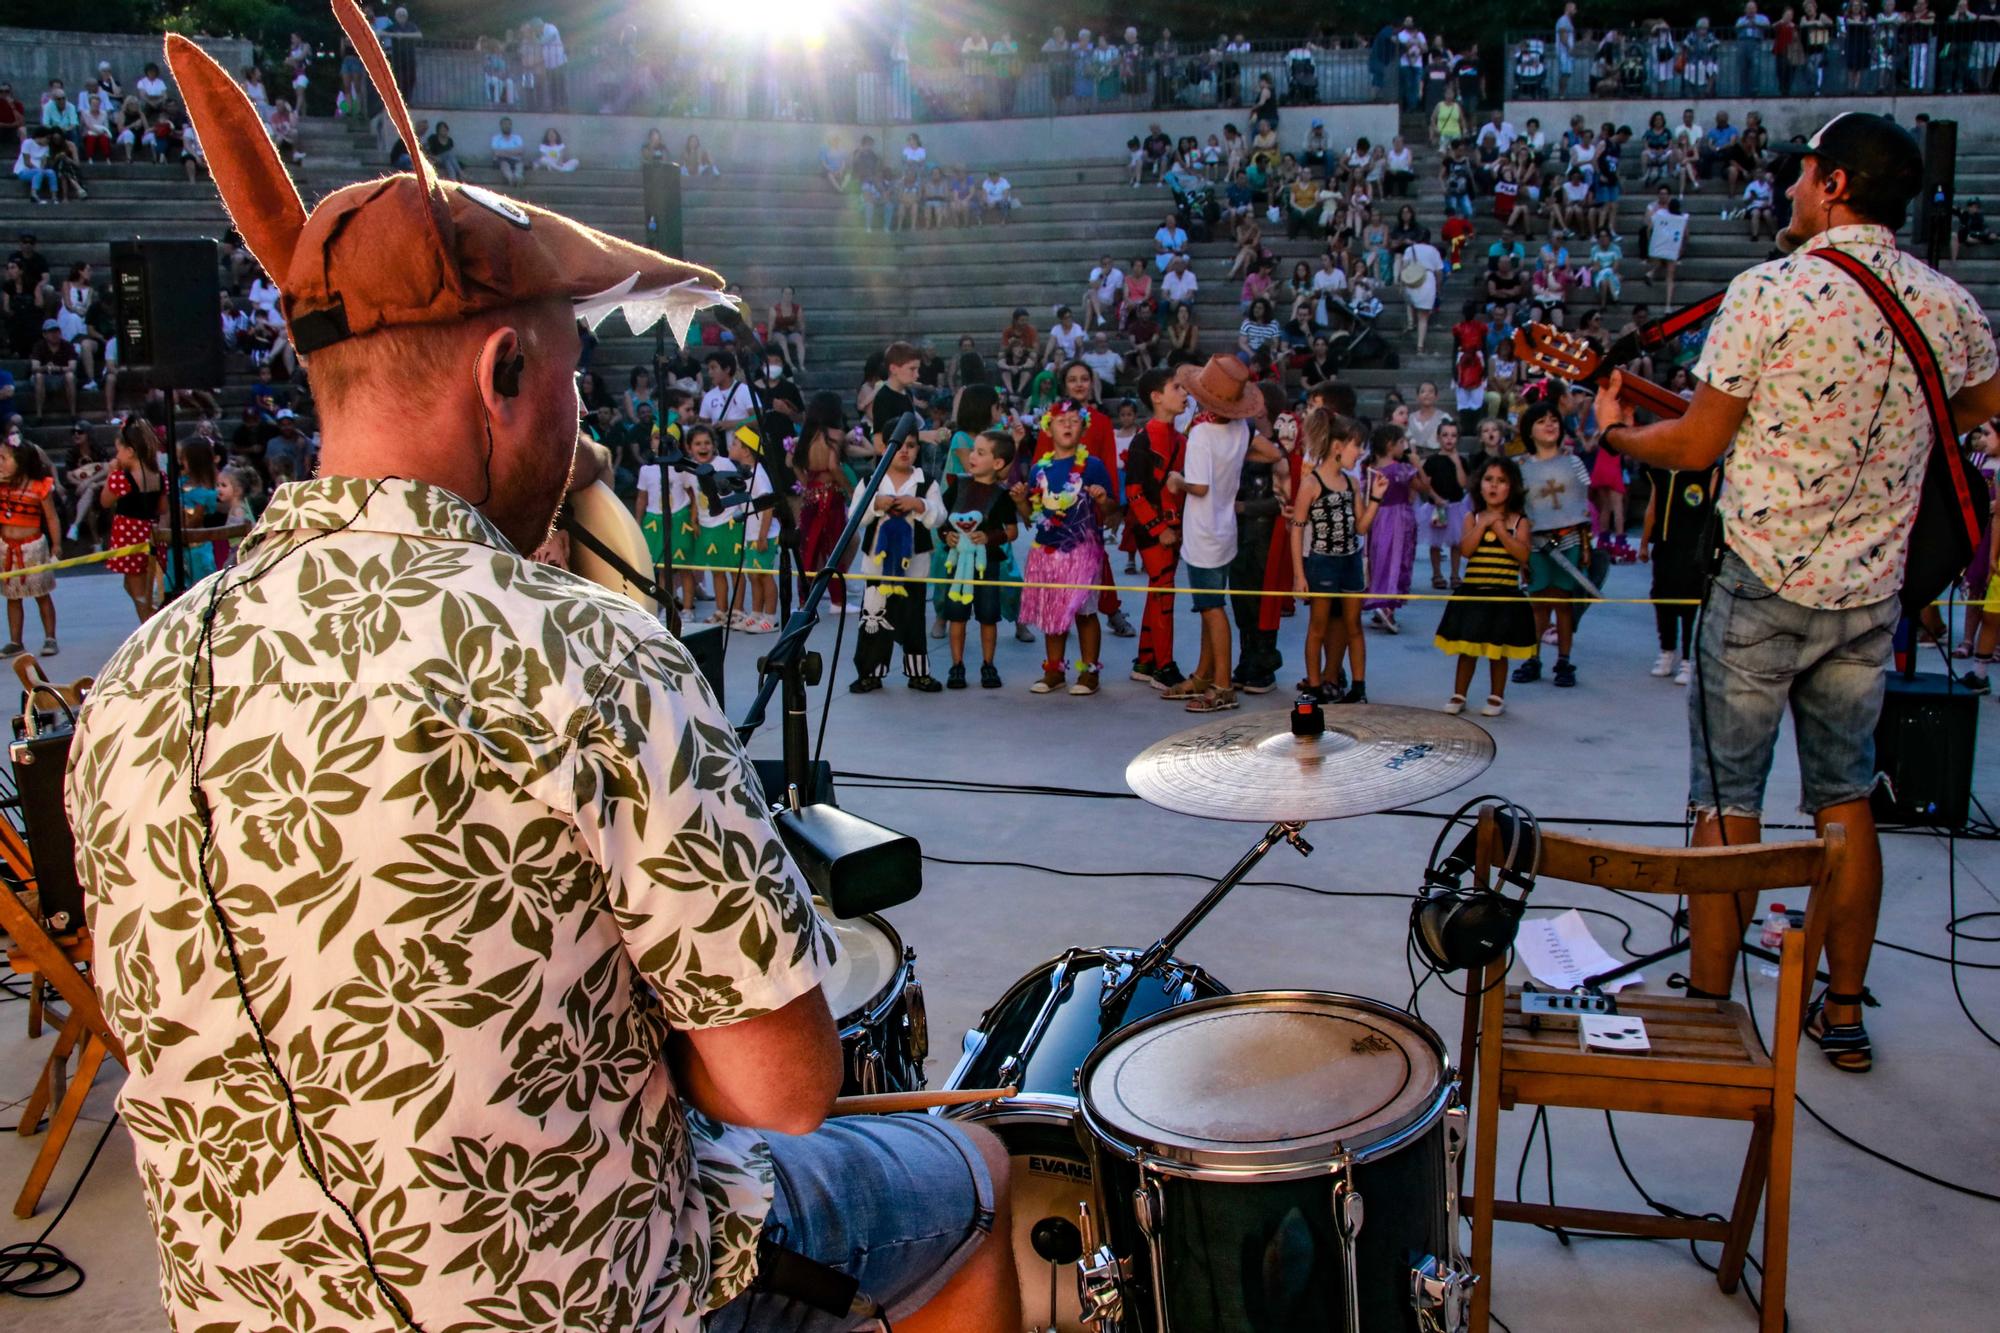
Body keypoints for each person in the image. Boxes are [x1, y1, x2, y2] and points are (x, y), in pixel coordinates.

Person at [1596, 113, 2000, 1072]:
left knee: (1726, 798)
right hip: (1870, 597)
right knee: (1844, 799)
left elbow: (1695, 445)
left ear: (1838, 187)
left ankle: (1707, 1006)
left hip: (1762, 585)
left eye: (1802, 174)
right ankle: (1845, 1011)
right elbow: (1981, 407)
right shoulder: (1946, 304)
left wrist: (1616, 436)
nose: (1788, 191)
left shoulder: (1770, 291)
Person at [1165, 355, 1280, 712]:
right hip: (1226, 528)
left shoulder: (1201, 433)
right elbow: (1274, 452)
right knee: (1208, 604)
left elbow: (1198, 486)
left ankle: (1223, 686)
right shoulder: (1240, 430)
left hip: (1202, 533)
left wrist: (1177, 481)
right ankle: (1203, 673)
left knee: (1213, 609)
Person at [1012, 398, 1114, 696]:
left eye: (1073, 420)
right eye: (1060, 421)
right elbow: (1032, 518)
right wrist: (1019, 500)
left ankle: (1089, 672)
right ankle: (1054, 669)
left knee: (1084, 611)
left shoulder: (1092, 466)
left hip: (1081, 550)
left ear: (1083, 428)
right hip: (1047, 552)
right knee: (1053, 613)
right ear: (1048, 428)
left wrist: (1101, 499)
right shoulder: (1038, 470)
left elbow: (1108, 511)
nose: (1067, 425)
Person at [1434, 455, 1537, 717]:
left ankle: (1496, 696)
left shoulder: (1519, 522)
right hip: (1474, 594)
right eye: (1488, 480)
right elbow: (1466, 549)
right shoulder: (1473, 517)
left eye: (1501, 481)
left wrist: (1502, 531)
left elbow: (1523, 555)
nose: (1493, 486)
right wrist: (1483, 525)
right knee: (1467, 647)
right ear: (1479, 485)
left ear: (1512, 487)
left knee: (1497, 649)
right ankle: (1459, 693)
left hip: (1504, 597)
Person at [1290, 409, 1379, 703]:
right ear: (1338, 447)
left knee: (1354, 625)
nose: (1361, 452)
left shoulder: (1352, 483)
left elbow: (1363, 527)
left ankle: (1360, 687)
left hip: (1350, 560)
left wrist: (1376, 499)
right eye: (1357, 445)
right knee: (1318, 625)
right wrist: (1300, 574)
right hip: (1322, 561)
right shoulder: (1311, 484)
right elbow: (1297, 530)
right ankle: (1315, 686)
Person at [850, 430, 943, 692]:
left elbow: (940, 517)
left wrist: (919, 504)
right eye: (898, 446)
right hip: (877, 567)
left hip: (913, 568)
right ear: (884, 447)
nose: (905, 451)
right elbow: (855, 516)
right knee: (874, 619)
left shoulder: (927, 482)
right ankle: (870, 672)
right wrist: (875, 504)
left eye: (911, 446)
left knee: (913, 619)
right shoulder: (871, 480)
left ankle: (918, 673)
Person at [1511, 398, 1592, 688]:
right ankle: (1532, 657)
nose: (1549, 424)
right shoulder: (1519, 467)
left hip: (1568, 539)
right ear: (1529, 430)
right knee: (1537, 604)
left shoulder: (1574, 462)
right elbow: (1517, 510)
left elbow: (1584, 501)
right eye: (1541, 420)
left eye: (1554, 420)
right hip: (1535, 544)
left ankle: (1564, 660)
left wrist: (1583, 542)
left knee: (1564, 604)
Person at [1125, 368, 1189, 690]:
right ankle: (1164, 666)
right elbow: (1134, 492)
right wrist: (1158, 528)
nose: (1184, 393)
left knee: (1159, 589)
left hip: (1172, 528)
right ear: (1157, 397)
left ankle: (1147, 659)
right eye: (1177, 388)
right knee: (1164, 593)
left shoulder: (1180, 439)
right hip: (1155, 531)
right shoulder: (1143, 440)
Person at [939, 431, 1018, 689]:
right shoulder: (958, 486)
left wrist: (990, 536)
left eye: (980, 453)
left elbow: (1012, 531)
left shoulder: (1002, 495)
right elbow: (941, 520)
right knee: (957, 615)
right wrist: (946, 536)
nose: (972, 456)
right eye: (973, 450)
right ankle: (957, 665)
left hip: (987, 566)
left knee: (988, 616)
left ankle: (988, 664)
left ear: (997, 464)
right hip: (957, 562)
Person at [1639, 458, 1721, 686]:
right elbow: (1653, 508)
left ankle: (1688, 658)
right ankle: (1666, 650)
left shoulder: (1707, 469)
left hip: (1695, 549)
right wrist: (1645, 542)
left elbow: (1716, 510)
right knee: (1662, 598)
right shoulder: (1660, 468)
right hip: (1666, 545)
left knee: (1690, 602)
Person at [1360, 422, 1426, 640]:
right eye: (1401, 442)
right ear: (1390, 445)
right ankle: (1387, 605)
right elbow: (1421, 486)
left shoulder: (1369, 470)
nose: (1404, 447)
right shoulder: (1402, 469)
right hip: (1397, 518)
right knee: (1397, 560)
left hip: (1375, 518)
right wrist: (1418, 465)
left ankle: (1378, 599)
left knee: (1379, 558)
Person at [0, 434, 60, 655]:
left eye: (4, 458)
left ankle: (50, 637)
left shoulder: (38, 487)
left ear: (21, 462)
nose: (0, 463)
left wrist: (56, 545)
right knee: (12, 597)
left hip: (33, 547)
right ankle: (16, 641)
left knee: (41, 594)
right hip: (6, 547)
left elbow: (52, 517)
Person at [100, 416, 161, 621]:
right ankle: (148, 624)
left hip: (130, 537)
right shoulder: (159, 475)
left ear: (130, 451)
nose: (116, 455)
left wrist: (112, 473)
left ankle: (148, 629)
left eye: (118, 450)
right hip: (151, 532)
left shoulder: (122, 478)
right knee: (136, 585)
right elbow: (162, 507)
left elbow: (105, 502)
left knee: (139, 592)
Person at [490, 114, 525, 184]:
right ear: (501, 126)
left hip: (515, 160)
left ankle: (518, 178)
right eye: (504, 124)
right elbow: (496, 153)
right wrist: (513, 152)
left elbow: (521, 151)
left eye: (508, 124)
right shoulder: (496, 138)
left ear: (511, 126)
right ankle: (511, 179)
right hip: (500, 161)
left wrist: (503, 152)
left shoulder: (517, 138)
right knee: (504, 164)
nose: (506, 126)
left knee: (519, 164)